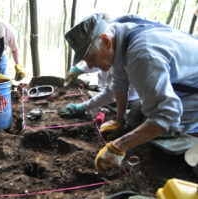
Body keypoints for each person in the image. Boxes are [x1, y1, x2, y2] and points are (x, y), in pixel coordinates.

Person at [64, 13, 198, 171]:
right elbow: (120, 85)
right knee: (134, 118)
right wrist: (119, 121)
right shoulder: (119, 37)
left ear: (106, 41)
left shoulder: (142, 55)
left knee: (163, 129)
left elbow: (167, 116)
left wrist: (118, 146)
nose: (90, 65)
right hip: (181, 83)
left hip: (193, 89)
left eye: (91, 58)